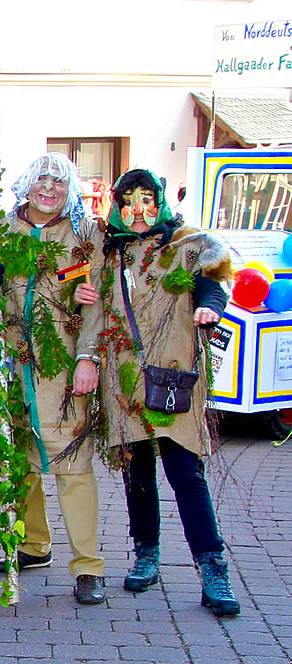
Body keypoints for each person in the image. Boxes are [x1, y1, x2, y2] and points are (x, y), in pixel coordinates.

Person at [76, 169, 239, 616]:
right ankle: (147, 552)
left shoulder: (186, 243)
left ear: (161, 201)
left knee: (186, 472)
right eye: (129, 201)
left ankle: (212, 568)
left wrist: (209, 305)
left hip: (172, 375)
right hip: (123, 378)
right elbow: (93, 312)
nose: (140, 211)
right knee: (137, 472)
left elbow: (214, 277)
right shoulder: (109, 253)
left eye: (148, 200)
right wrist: (85, 355)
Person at [0, 152, 107, 605]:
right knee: (18, 458)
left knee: (72, 461)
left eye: (59, 182)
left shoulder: (85, 236)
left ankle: (87, 567)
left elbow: (96, 303)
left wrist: (87, 358)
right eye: (41, 180)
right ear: (26, 184)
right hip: (8, 362)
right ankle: (33, 544)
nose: (49, 188)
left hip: (60, 365)